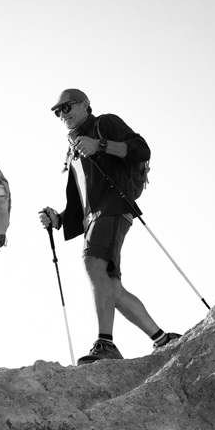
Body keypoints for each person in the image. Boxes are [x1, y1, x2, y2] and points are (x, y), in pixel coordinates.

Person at [38, 89, 181, 365]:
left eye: (67, 107)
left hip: (114, 208)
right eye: (58, 112)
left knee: (93, 263)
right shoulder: (72, 151)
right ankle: (162, 339)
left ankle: (106, 344)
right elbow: (83, 201)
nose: (63, 114)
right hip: (96, 216)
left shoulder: (105, 123)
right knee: (111, 287)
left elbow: (141, 149)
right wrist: (59, 219)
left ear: (85, 105)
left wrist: (100, 145)